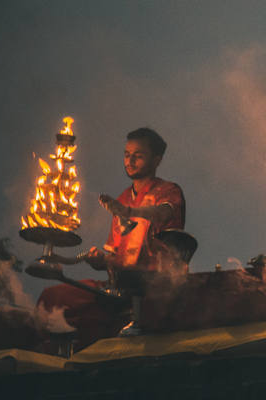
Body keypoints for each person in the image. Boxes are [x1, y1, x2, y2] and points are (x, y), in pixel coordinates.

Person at [36, 127, 185, 349]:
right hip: (117, 288)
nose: (130, 161)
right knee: (52, 298)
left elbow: (163, 212)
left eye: (138, 155)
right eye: (127, 154)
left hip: (152, 286)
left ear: (157, 160)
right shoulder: (123, 199)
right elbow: (116, 258)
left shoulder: (168, 191)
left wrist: (128, 212)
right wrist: (100, 260)